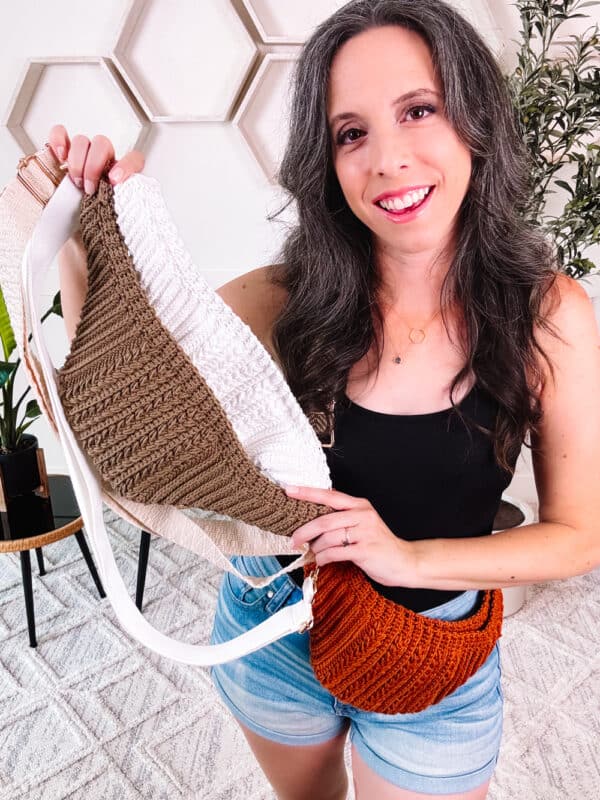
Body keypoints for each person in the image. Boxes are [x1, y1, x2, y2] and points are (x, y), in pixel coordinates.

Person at [52, 1, 599, 798]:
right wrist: (77, 226)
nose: (388, 159)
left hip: (430, 661)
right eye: (351, 133)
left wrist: (409, 558)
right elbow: (123, 405)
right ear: (326, 162)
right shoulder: (274, 301)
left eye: (420, 110)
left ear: (475, 122)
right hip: (270, 629)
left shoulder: (550, 319)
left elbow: (579, 536)